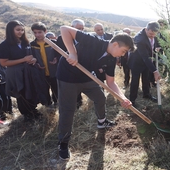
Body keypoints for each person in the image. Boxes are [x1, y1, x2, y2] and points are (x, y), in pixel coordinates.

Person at [56, 26, 135, 160]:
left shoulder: (111, 59)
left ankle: (102, 122)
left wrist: (123, 98)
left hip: (87, 78)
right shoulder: (93, 41)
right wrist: (73, 52)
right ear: (115, 44)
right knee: (68, 110)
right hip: (68, 77)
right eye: (123, 51)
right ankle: (63, 143)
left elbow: (110, 83)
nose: (123, 55)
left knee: (100, 98)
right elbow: (64, 29)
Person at [0, 20, 45, 122]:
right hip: (16, 73)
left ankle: (33, 110)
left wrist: (34, 60)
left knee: (31, 91)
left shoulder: (25, 42)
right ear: (11, 30)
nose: (21, 32)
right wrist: (23, 60)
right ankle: (27, 115)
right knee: (22, 93)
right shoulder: (4, 45)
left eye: (22, 30)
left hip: (29, 71)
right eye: (18, 30)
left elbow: (31, 55)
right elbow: (4, 63)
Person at [128, 21, 162, 106]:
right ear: (146, 29)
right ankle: (132, 100)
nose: (152, 36)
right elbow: (145, 57)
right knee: (135, 81)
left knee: (146, 79)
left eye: (154, 34)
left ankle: (146, 94)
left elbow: (155, 43)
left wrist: (157, 47)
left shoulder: (153, 34)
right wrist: (155, 71)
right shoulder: (139, 39)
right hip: (136, 62)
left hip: (147, 62)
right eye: (151, 34)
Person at [57, 18, 85, 108]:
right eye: (78, 28)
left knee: (79, 85)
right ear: (72, 27)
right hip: (67, 68)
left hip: (79, 67)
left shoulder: (83, 38)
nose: (80, 31)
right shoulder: (61, 38)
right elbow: (59, 54)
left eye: (82, 29)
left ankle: (79, 101)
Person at [30, 22, 58, 107]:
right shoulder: (32, 45)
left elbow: (59, 54)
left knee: (56, 90)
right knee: (43, 91)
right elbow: (31, 58)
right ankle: (48, 106)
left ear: (45, 31)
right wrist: (36, 64)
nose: (37, 35)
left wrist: (56, 59)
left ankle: (57, 104)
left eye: (39, 32)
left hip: (54, 72)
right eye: (35, 33)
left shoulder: (53, 43)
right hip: (40, 73)